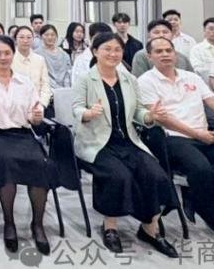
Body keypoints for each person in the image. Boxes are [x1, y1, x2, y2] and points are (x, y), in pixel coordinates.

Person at [136, 37, 214, 237]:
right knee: (202, 169)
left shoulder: (191, 77)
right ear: (149, 57)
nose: (165, 54)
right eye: (159, 51)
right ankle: (211, 214)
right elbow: (163, 119)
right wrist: (197, 134)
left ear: (175, 53)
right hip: (173, 138)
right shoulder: (145, 81)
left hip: (204, 135)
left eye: (168, 50)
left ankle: (200, 202)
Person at [71, 32, 178, 257]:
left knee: (156, 175)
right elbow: (76, 108)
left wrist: (150, 116)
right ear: (95, 52)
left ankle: (150, 228)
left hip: (128, 140)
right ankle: (110, 226)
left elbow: (138, 111)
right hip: (97, 142)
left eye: (117, 49)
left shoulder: (129, 80)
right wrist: (88, 113)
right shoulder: (85, 79)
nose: (113, 54)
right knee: (118, 176)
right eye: (107, 49)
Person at [0, 35, 52, 254]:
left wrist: (36, 117)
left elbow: (33, 117)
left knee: (40, 163)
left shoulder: (25, 83)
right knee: (5, 163)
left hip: (22, 135)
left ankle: (37, 224)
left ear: (13, 54)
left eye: (7, 53)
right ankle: (9, 223)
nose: (3, 57)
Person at [12, 26, 52, 107]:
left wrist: (42, 104)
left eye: (29, 37)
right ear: (15, 39)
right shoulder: (9, 59)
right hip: (15, 106)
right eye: (21, 37)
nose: (25, 40)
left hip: (37, 105)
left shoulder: (40, 60)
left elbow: (45, 85)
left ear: (33, 39)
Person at [37, 24, 71, 88]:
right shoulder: (37, 54)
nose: (50, 37)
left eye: (52, 35)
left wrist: (66, 88)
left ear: (56, 36)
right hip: (46, 88)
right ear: (41, 37)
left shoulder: (64, 54)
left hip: (65, 89)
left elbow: (68, 72)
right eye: (46, 35)